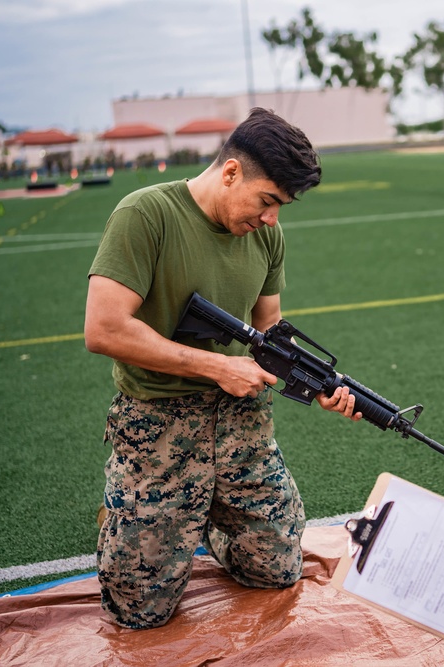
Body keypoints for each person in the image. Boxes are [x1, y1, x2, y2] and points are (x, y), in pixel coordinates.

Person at [84, 108, 362, 629]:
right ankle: (139, 520)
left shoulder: (266, 238)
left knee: (278, 570)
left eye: (281, 206)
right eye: (268, 201)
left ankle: (207, 522)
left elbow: (269, 333)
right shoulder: (146, 214)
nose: (272, 219)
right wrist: (216, 366)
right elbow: (104, 329)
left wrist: (320, 384)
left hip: (241, 421)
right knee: (138, 611)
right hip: (158, 424)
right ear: (231, 172)